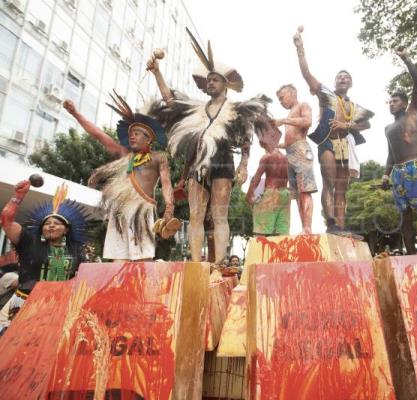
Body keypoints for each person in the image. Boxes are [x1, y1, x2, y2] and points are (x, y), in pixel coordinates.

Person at [148, 30, 269, 263]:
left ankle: (219, 263)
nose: (210, 82)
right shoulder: (196, 109)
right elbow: (170, 101)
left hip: (223, 161)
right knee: (195, 215)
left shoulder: (235, 110)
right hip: (197, 164)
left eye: (215, 79)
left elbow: (246, 138)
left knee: (220, 215)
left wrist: (244, 165)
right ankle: (195, 264)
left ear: (226, 84)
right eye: (209, 80)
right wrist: (157, 73)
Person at [64, 94, 175, 261]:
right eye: (131, 133)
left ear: (149, 138)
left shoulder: (159, 157)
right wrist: (75, 113)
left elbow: (166, 183)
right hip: (120, 208)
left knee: (142, 256)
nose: (132, 136)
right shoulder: (125, 154)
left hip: (142, 208)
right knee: (118, 257)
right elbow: (98, 135)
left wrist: (169, 206)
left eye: (137, 133)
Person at [293, 28, 374, 233]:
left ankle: (341, 225)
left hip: (345, 145)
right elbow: (306, 74)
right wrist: (300, 49)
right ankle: (330, 223)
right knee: (328, 181)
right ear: (335, 81)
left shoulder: (355, 107)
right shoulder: (326, 94)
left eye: (346, 77)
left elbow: (367, 124)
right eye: (339, 76)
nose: (342, 79)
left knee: (342, 188)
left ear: (351, 83)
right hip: (327, 142)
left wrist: (347, 125)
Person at [0, 182, 88, 333]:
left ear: (66, 229)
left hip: (58, 307)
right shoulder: (29, 242)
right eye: (47, 224)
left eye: (56, 223)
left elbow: (79, 280)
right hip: (25, 304)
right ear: (42, 230)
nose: (51, 226)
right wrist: (17, 197)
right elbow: (6, 221)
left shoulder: (76, 252)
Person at [381, 47, 417, 254]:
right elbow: (390, 154)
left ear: (405, 103)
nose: (391, 104)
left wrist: (406, 58)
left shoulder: (412, 113)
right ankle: (411, 252)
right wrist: (386, 176)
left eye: (395, 101)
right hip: (398, 173)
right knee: (404, 216)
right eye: (389, 102)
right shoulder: (388, 128)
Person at [275, 84, 316, 234]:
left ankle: (307, 227)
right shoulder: (290, 115)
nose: (281, 101)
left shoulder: (303, 106)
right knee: (297, 193)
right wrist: (273, 145)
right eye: (279, 99)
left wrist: (285, 121)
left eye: (282, 97)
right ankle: (304, 227)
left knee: (305, 190)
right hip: (290, 151)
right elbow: (287, 142)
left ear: (293, 93)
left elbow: (307, 121)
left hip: (301, 149)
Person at [246, 119, 290, 236]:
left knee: (261, 234)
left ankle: (261, 254)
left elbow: (256, 179)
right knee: (282, 234)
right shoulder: (286, 158)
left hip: (271, 194)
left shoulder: (267, 157)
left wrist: (249, 196)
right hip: (285, 194)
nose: (259, 141)